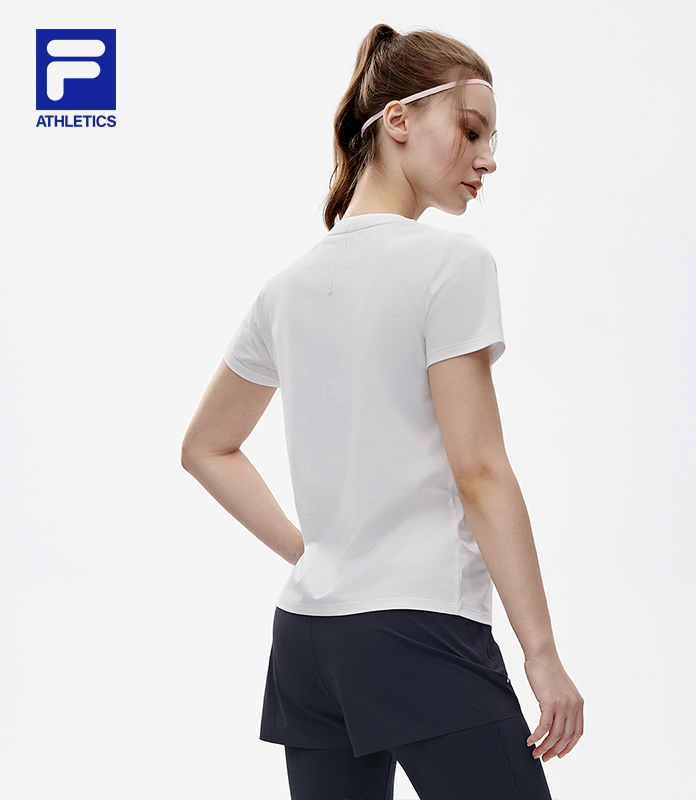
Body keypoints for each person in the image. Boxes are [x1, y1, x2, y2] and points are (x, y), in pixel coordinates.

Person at [181, 22, 584, 800]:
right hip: (420, 629)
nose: (488, 159)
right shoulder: (451, 265)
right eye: (472, 130)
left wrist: (318, 556)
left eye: (492, 140)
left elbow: (206, 447)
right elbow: (480, 470)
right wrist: (541, 654)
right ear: (398, 119)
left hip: (307, 641)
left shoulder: (288, 288)